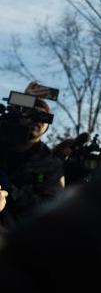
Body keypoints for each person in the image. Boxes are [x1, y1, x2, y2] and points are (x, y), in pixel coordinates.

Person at [0, 96, 63, 229]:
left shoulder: (51, 164)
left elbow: (50, 207)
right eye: (31, 113)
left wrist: (12, 193)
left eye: (43, 116)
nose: (37, 120)